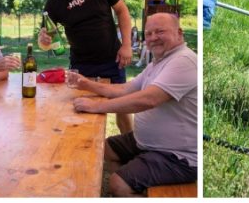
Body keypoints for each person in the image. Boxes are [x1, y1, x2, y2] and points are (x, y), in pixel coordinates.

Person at [72, 13, 196, 196]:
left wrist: (95, 107)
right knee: (103, 149)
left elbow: (148, 100)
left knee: (117, 184)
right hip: (146, 142)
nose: (153, 38)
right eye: (149, 33)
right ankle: (138, 182)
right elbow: (126, 89)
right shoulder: (159, 62)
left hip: (177, 155)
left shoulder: (184, 61)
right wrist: (86, 84)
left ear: (179, 33)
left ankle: (130, 187)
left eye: (160, 31)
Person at [41, 0, 134, 133]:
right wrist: (43, 40)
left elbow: (122, 11)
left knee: (122, 108)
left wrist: (127, 45)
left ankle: (131, 148)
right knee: (82, 112)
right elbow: (46, 42)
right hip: (82, 66)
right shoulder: (53, 3)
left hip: (113, 59)